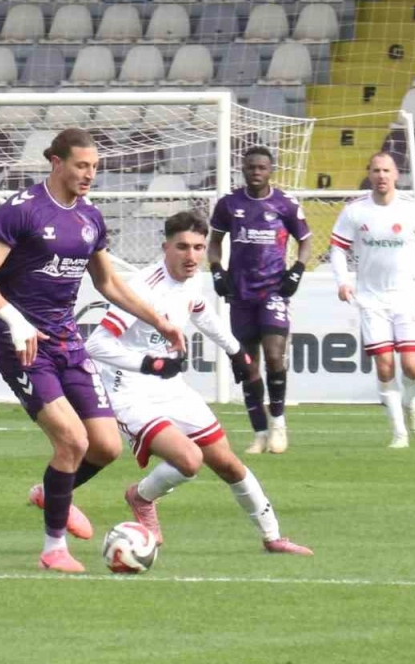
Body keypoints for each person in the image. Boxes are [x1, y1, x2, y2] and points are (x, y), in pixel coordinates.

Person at [0, 128, 187, 574]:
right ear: (56, 162)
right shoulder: (22, 210)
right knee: (72, 440)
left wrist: (157, 319)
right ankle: (54, 549)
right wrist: (15, 320)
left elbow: (108, 283)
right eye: (81, 165)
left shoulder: (90, 218)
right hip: (23, 345)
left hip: (67, 340)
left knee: (105, 447)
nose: (89, 175)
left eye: (94, 167)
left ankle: (51, 493)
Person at [85, 211, 312, 555]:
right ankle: (141, 497)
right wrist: (148, 363)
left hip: (170, 387)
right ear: (165, 247)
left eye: (198, 247)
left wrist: (237, 352)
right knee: (189, 461)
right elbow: (96, 344)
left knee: (227, 463)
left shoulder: (192, 279)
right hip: (128, 390)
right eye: (182, 247)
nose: (191, 256)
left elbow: (201, 312)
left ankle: (273, 537)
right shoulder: (143, 288)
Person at [329, 153, 415, 449]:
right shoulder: (355, 211)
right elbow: (337, 248)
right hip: (371, 300)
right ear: (369, 174)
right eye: (376, 170)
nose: (381, 175)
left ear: (396, 174)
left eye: (386, 170)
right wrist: (342, 280)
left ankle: (411, 403)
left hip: (407, 297)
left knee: (412, 367)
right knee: (384, 365)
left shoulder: (412, 209)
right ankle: (399, 433)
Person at [207, 146, 312, 455]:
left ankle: (278, 424)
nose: (256, 172)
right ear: (243, 169)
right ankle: (260, 433)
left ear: (271, 170)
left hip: (273, 291)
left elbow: (305, 241)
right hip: (240, 293)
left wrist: (297, 270)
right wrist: (216, 270)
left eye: (262, 167)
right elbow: (214, 243)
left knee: (275, 356)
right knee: (248, 366)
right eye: (251, 167)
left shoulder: (285, 204)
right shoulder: (229, 204)